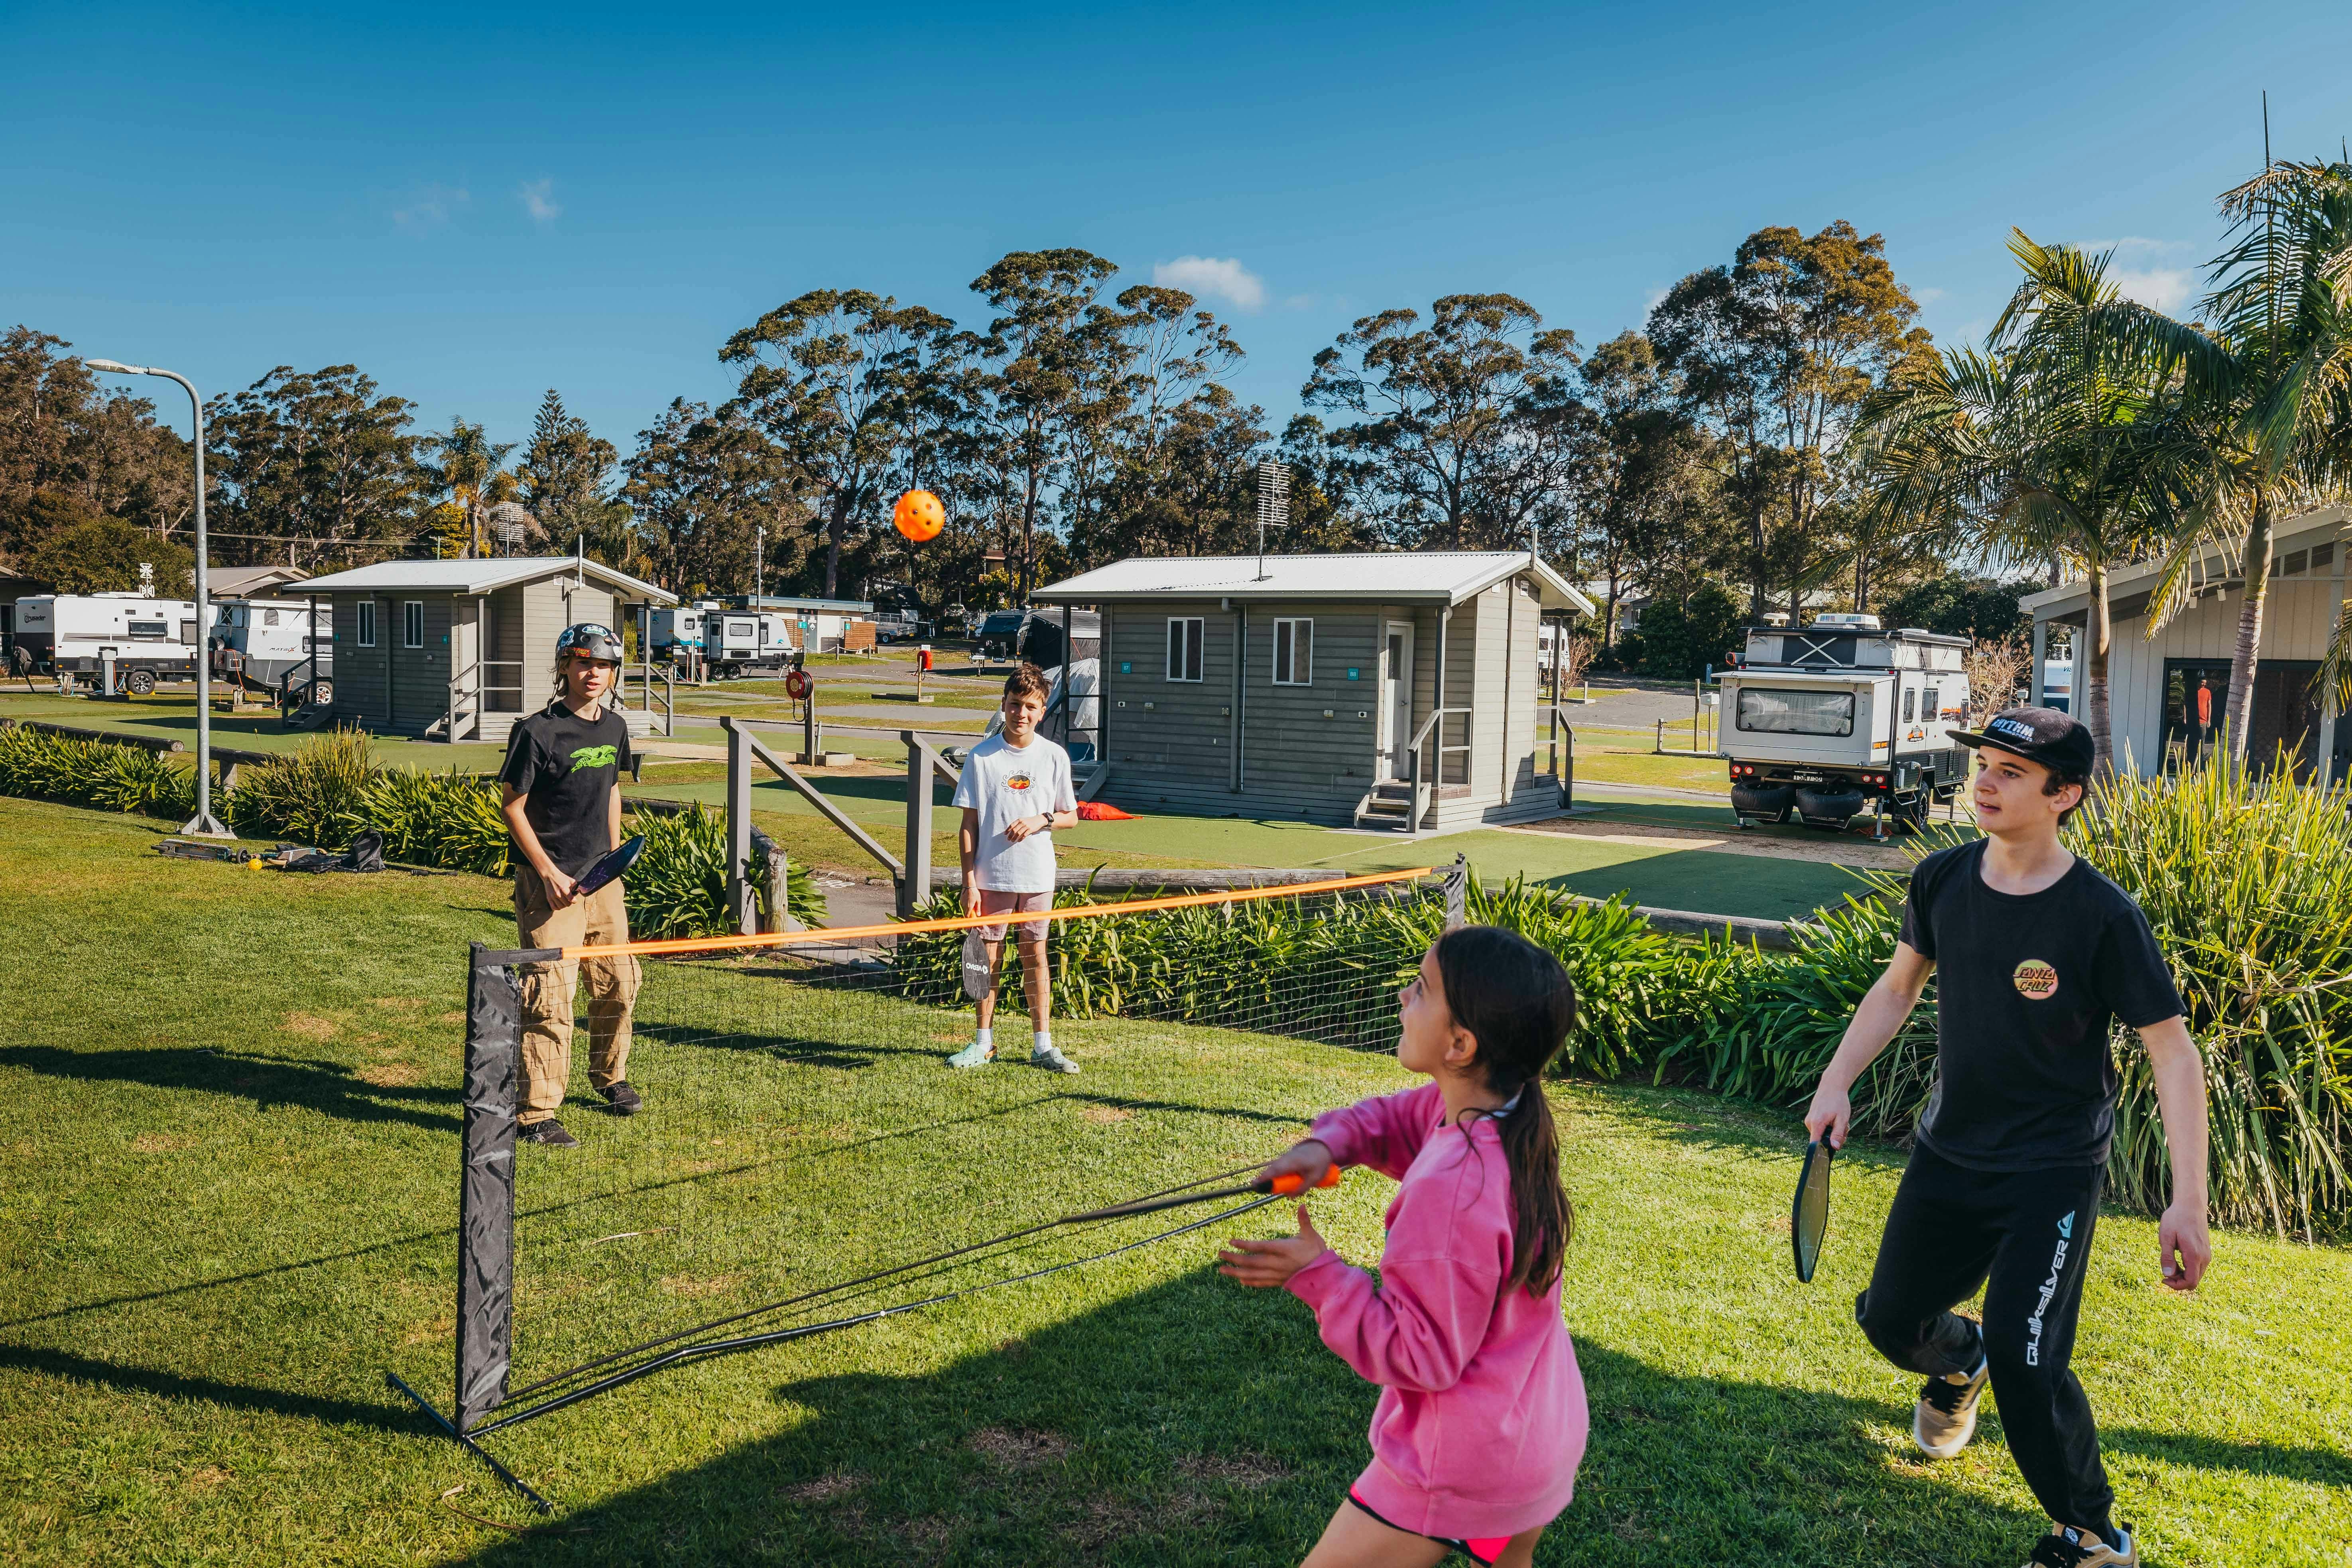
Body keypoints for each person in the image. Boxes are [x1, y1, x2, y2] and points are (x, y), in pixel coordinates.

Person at [1802, 706, 2210, 1568]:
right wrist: (1837, 1080)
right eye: (1983, 764)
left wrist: (2188, 1199)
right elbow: (1897, 986)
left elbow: (2172, 1054)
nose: (1984, 781)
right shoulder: (1944, 878)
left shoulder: (2102, 916)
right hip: (1951, 1150)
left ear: (2064, 795)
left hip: (2051, 1169)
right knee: (1890, 1319)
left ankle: (2093, 1537)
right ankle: (1959, 1363)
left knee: (2032, 1357)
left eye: (2011, 772)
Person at [1219, 925, 1588, 1568]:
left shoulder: (1452, 1192)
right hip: (1533, 1443)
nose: (1401, 996)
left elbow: (1420, 1354)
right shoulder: (1504, 1111)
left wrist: (1320, 1274)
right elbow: (1401, 1119)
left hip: (1459, 1470)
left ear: (1460, 1043)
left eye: (1420, 990)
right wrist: (1326, 1147)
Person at [498, 623, 644, 1148]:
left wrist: (612, 858)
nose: (593, 674)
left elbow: (610, 791)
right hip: (551, 885)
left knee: (619, 984)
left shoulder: (615, 728)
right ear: (564, 668)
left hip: (600, 881)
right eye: (583, 664)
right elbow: (512, 807)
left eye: (603, 666)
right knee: (549, 998)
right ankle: (535, 1114)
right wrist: (548, 873)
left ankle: (610, 1076)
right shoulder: (537, 732)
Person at [947, 662, 1080, 1073]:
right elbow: (968, 826)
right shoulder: (981, 757)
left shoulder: (1054, 756)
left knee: (1034, 955)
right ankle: (983, 1043)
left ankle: (1043, 1046)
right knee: (987, 960)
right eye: (1014, 705)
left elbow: (1070, 816)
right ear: (1003, 706)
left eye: (1030, 707)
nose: (1021, 714)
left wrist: (1041, 819)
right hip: (991, 878)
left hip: (1038, 876)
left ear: (1043, 712)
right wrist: (970, 881)